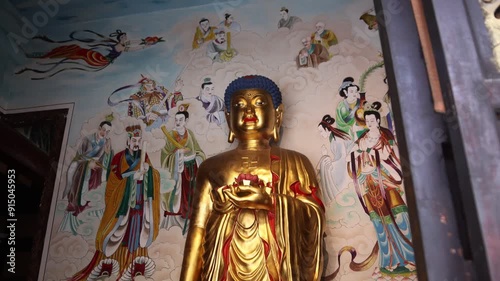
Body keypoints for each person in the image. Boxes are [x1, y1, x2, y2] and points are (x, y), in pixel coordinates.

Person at [180, 75, 325, 281]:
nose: (248, 110)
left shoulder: (296, 162)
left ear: (278, 115)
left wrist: (271, 202)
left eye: (259, 103)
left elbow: (315, 216)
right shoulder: (210, 167)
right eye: (239, 105)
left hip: (277, 269)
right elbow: (197, 231)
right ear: (228, 117)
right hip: (224, 269)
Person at [69, 125, 161, 281]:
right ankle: (110, 265)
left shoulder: (143, 157)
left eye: (139, 140)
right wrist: (133, 176)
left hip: (138, 201)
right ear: (128, 141)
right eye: (134, 140)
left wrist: (148, 172)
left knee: (137, 232)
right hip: (122, 203)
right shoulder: (119, 158)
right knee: (115, 231)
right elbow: (113, 181)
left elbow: (153, 175)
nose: (136, 143)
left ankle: (136, 265)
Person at [346, 102, 416, 275]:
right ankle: (389, 261)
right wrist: (359, 155)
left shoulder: (386, 137)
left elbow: (393, 157)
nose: (370, 122)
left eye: (372, 119)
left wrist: (376, 156)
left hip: (386, 181)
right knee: (379, 223)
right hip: (369, 185)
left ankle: (411, 257)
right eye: (367, 120)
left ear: (378, 120)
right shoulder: (361, 140)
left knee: (399, 216)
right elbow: (352, 159)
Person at [16, 29, 158, 80]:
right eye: (124, 37)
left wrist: (145, 43)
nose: (126, 39)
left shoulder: (122, 45)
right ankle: (40, 55)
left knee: (74, 51)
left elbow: (133, 45)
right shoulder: (121, 46)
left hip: (100, 60)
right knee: (73, 51)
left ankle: (40, 55)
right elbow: (132, 46)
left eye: (126, 37)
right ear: (121, 38)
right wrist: (145, 44)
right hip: (100, 59)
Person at [160, 106, 206, 234]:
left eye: (181, 119)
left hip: (192, 168)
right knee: (181, 194)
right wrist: (178, 153)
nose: (178, 122)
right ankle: (180, 217)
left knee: (193, 193)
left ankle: (192, 217)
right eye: (176, 120)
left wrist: (197, 158)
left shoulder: (189, 134)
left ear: (186, 121)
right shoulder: (170, 135)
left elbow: (198, 150)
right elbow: (165, 156)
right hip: (178, 169)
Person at [61, 120, 113, 223]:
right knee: (79, 189)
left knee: (92, 191)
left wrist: (108, 153)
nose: (105, 133)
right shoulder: (87, 140)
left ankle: (87, 211)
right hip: (83, 170)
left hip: (95, 172)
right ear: (99, 128)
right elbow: (78, 157)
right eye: (103, 130)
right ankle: (75, 209)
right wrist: (88, 162)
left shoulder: (105, 142)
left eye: (107, 131)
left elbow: (106, 160)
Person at [108, 75, 184, 129]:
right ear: (142, 86)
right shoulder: (137, 98)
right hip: (151, 128)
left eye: (152, 84)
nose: (151, 87)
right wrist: (147, 119)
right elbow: (137, 120)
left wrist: (177, 92)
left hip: (168, 123)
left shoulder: (161, 91)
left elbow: (175, 105)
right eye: (148, 85)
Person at [317, 114, 351, 206]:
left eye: (321, 131)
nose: (320, 134)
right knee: (324, 162)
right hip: (341, 162)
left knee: (324, 162)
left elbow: (342, 157)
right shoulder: (333, 139)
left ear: (327, 130)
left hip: (344, 165)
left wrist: (327, 159)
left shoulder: (337, 140)